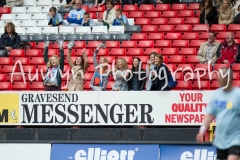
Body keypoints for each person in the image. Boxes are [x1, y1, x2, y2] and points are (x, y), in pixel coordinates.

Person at [196, 67, 240, 160]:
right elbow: (209, 114)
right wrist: (202, 130)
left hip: (236, 137)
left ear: (228, 78)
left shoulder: (237, 95)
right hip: (221, 138)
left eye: (221, 76)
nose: (218, 79)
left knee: (233, 158)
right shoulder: (216, 95)